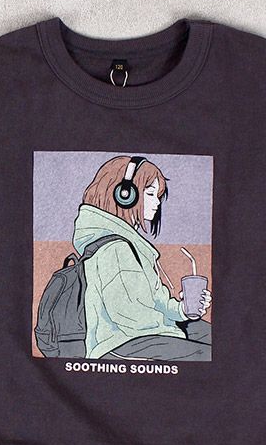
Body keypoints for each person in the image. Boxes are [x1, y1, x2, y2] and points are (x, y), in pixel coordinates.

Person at [71, 155, 212, 361]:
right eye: (151, 193)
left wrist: (183, 309)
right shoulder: (116, 249)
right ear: (124, 194)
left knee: (213, 338)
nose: (157, 202)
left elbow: (156, 299)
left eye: (158, 195)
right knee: (207, 354)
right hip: (120, 343)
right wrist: (172, 328)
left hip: (140, 336)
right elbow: (130, 316)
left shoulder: (134, 247)